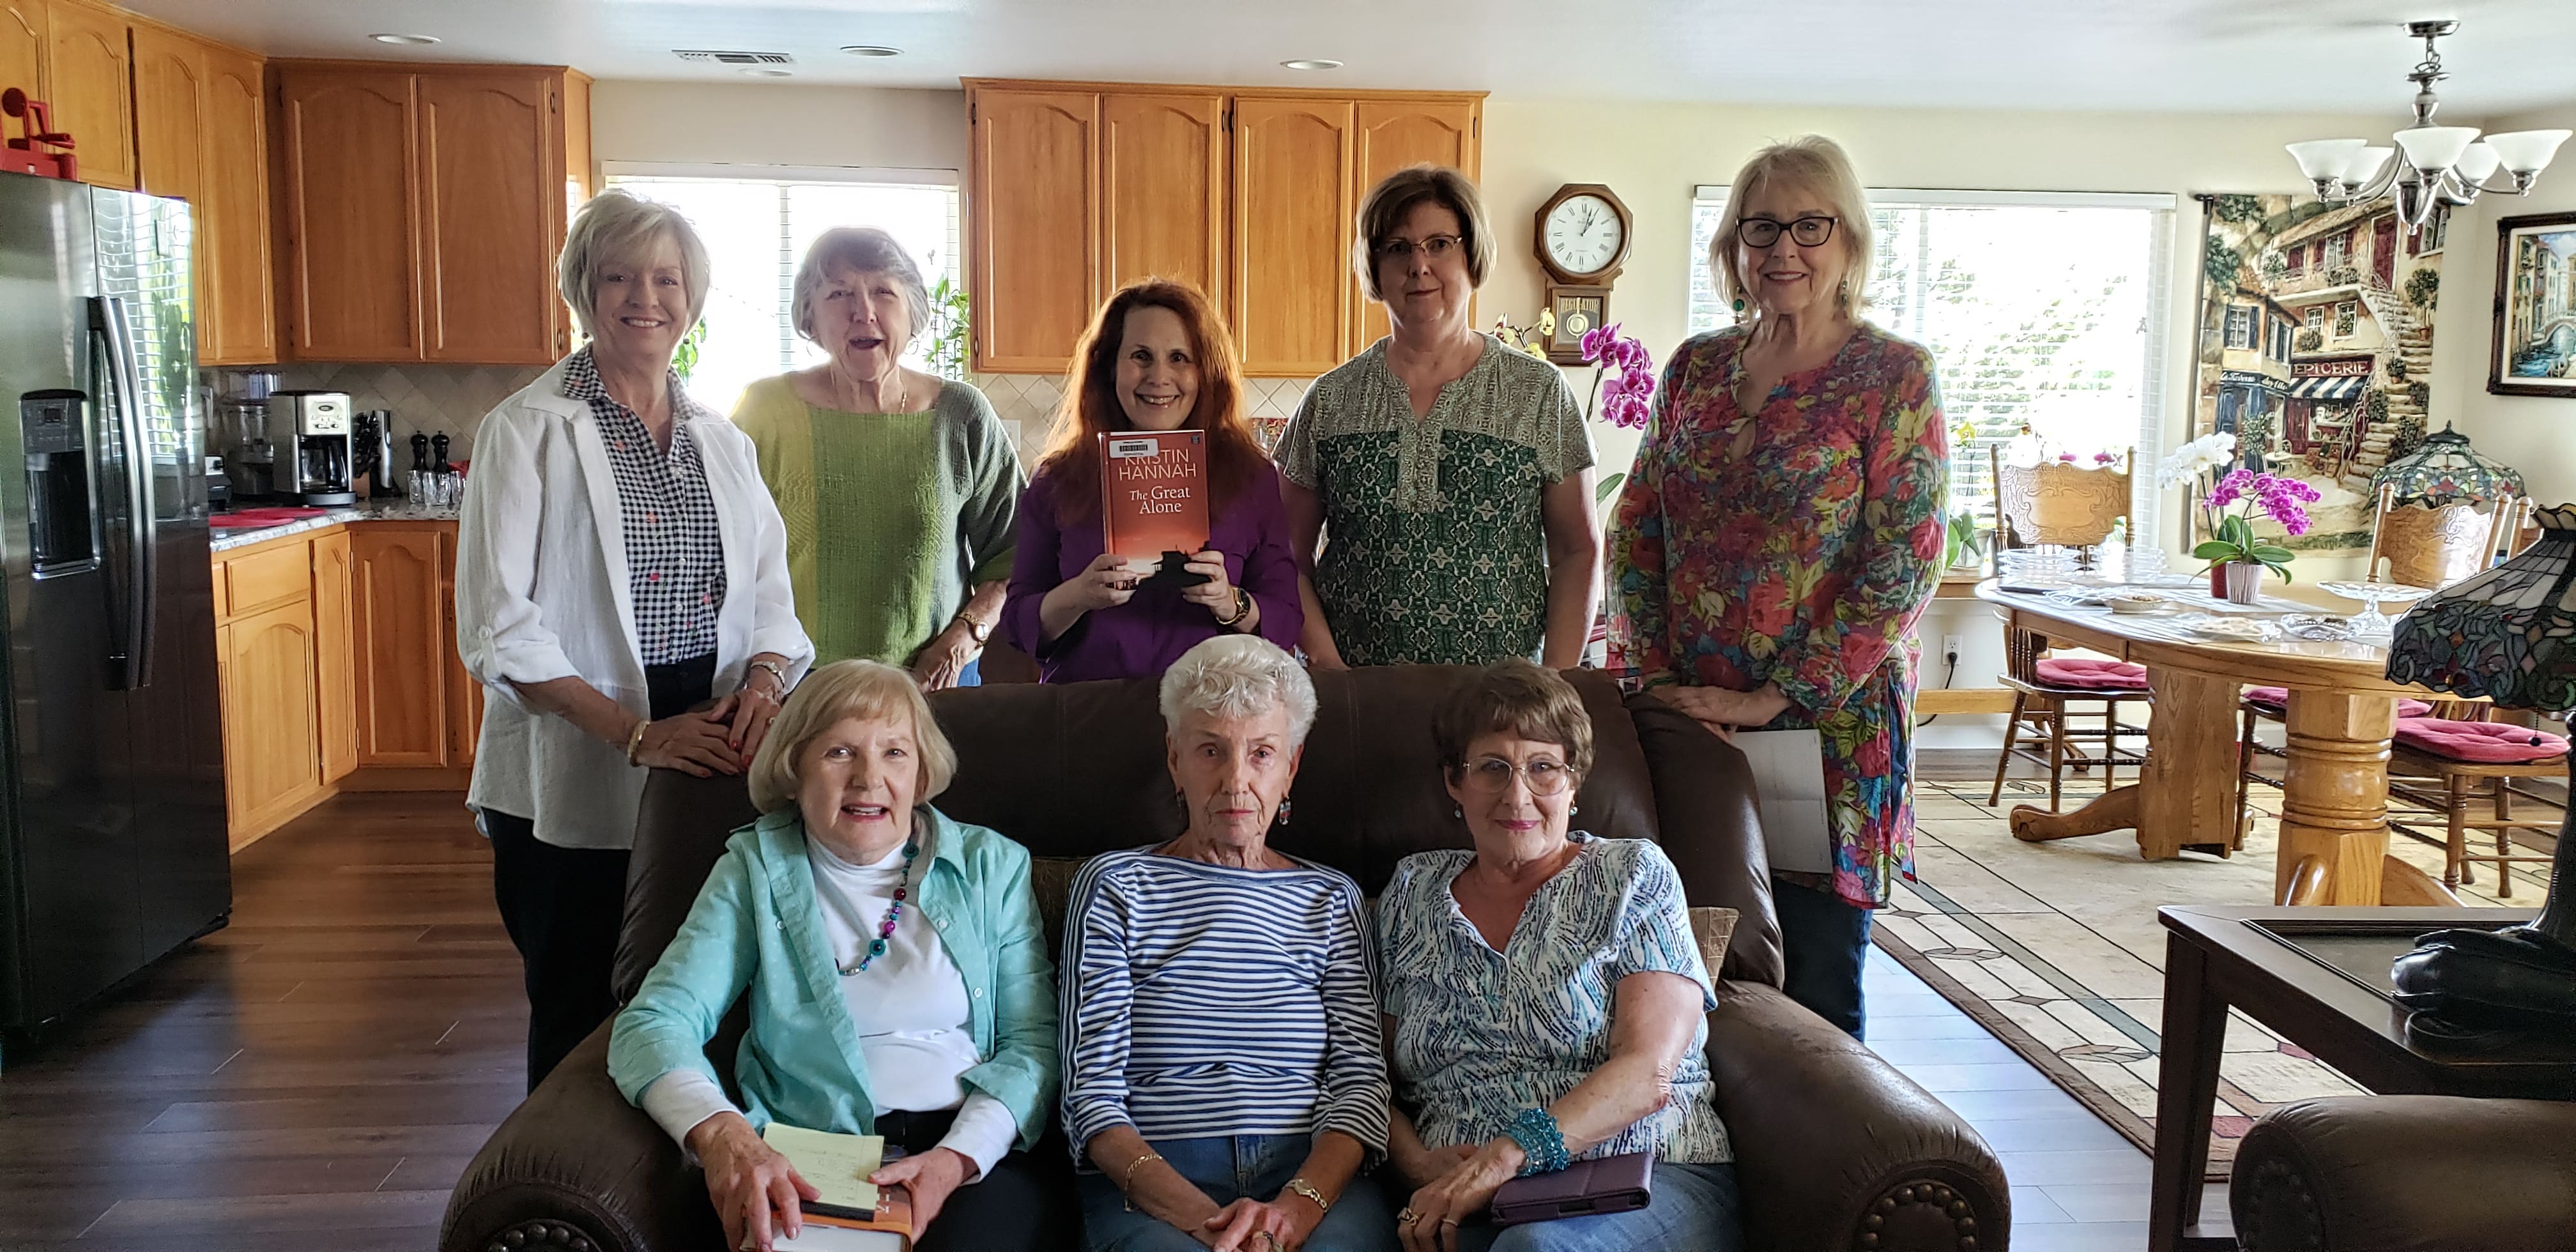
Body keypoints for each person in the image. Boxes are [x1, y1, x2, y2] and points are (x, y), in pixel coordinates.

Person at [456, 188, 813, 1089]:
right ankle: (571, 1165)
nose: (645, 298)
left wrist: (764, 683)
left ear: (692, 299)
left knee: (699, 980)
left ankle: (688, 1155)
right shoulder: (526, 429)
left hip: (714, 743)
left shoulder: (721, 439)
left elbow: (771, 599)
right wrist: (638, 734)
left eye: (666, 280)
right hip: (579, 741)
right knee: (578, 992)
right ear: (584, 290)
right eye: (620, 277)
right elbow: (500, 628)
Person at [1605, 135, 1947, 1039]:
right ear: (1734, 246)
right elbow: (1635, 527)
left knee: (1816, 985)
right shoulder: (1696, 369)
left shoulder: (1893, 376)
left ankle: (1818, 1136)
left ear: (1849, 239)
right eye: (1761, 228)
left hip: (1826, 732)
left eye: (1809, 226)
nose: (1783, 249)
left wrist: (1775, 696)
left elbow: (1906, 556)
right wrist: (1657, 687)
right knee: (1682, 966)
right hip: (1694, 721)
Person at [608, 660, 1062, 1252]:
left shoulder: (992, 867)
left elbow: (1032, 1043)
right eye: (840, 752)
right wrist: (726, 1137)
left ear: (922, 773)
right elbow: (653, 1022)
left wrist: (956, 1159)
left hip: (965, 1150)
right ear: (794, 769)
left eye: (895, 753)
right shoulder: (756, 870)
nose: (869, 779)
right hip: (809, 1155)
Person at [1377, 660, 1739, 1252]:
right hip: (1460, 1195)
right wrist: (1416, 1164)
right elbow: (1369, 1069)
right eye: (1492, 768)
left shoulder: (1632, 875)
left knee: (1536, 1249)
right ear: (1454, 782)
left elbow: (1647, 1073)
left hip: (1640, 1173)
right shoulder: (1412, 891)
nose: (1517, 795)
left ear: (1575, 784)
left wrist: (1503, 1159)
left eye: (1543, 767)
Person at [1060, 636, 1396, 1252]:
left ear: (1292, 766)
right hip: (1157, 1173)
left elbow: (1361, 1084)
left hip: (1308, 1171)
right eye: (1211, 750)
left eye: (1262, 753)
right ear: (1174, 758)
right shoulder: (1117, 886)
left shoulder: (1331, 898)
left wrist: (1293, 1212)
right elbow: (1091, 1094)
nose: (1236, 781)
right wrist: (1211, 1226)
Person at [1276, 165, 1599, 670]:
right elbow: (1285, 557)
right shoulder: (1331, 399)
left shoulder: (1538, 394)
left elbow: (1577, 551)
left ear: (1472, 255)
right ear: (1374, 267)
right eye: (1397, 248)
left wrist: (1555, 682)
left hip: (1504, 701)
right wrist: (1334, 674)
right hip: (1359, 696)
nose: (1418, 265)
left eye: (1440, 244)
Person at [731, 227, 1022, 685]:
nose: (862, 312)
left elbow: (1014, 553)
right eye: (839, 294)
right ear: (810, 316)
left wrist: (964, 638)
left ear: (913, 312)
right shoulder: (766, 411)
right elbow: (725, 557)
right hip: (799, 683)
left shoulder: (961, 414)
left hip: (934, 679)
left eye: (883, 292)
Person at [1001, 279, 1301, 682]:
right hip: (1091, 705)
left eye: (1180, 358)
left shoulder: (1252, 479)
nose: (1159, 377)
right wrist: (1078, 595)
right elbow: (1017, 622)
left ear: (1206, 372)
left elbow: (1287, 618)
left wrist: (1231, 602)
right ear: (1109, 367)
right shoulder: (1058, 480)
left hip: (1214, 707)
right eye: (1141, 356)